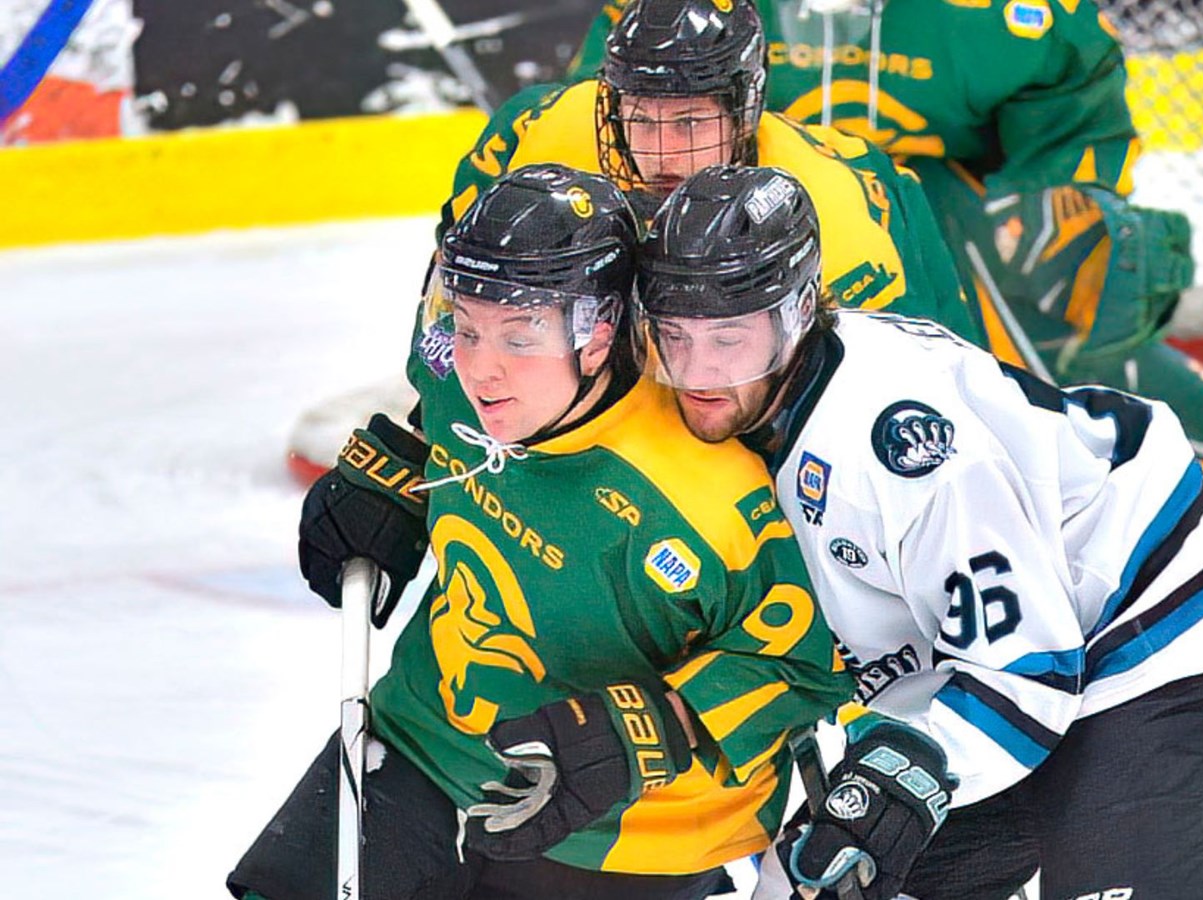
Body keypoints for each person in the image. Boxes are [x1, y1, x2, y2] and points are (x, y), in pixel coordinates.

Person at [573, 0, 1203, 632]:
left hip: (936, 239)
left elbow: (1071, 92)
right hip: (732, 248)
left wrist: (1055, 215)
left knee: (1030, 333)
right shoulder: (684, 20)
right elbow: (604, 110)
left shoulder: (997, 19)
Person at [636, 165, 1203, 899]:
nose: (696, 370)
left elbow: (1029, 672)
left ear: (799, 311)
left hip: (1139, 634)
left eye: (729, 339)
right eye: (673, 337)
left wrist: (898, 784)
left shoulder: (900, 449)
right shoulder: (741, 406)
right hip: (976, 667)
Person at [228, 164, 855, 900]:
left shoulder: (715, 493)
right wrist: (400, 474)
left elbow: (810, 663)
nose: (480, 371)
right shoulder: (450, 374)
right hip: (423, 743)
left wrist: (658, 725)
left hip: (630, 834)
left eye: (520, 337)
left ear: (597, 336)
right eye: (467, 327)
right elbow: (434, 421)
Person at [442, 0, 981, 341]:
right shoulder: (532, 133)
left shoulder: (843, 216)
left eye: (690, 122)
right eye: (640, 119)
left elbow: (918, 387)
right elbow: (452, 310)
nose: (662, 154)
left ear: (741, 113)